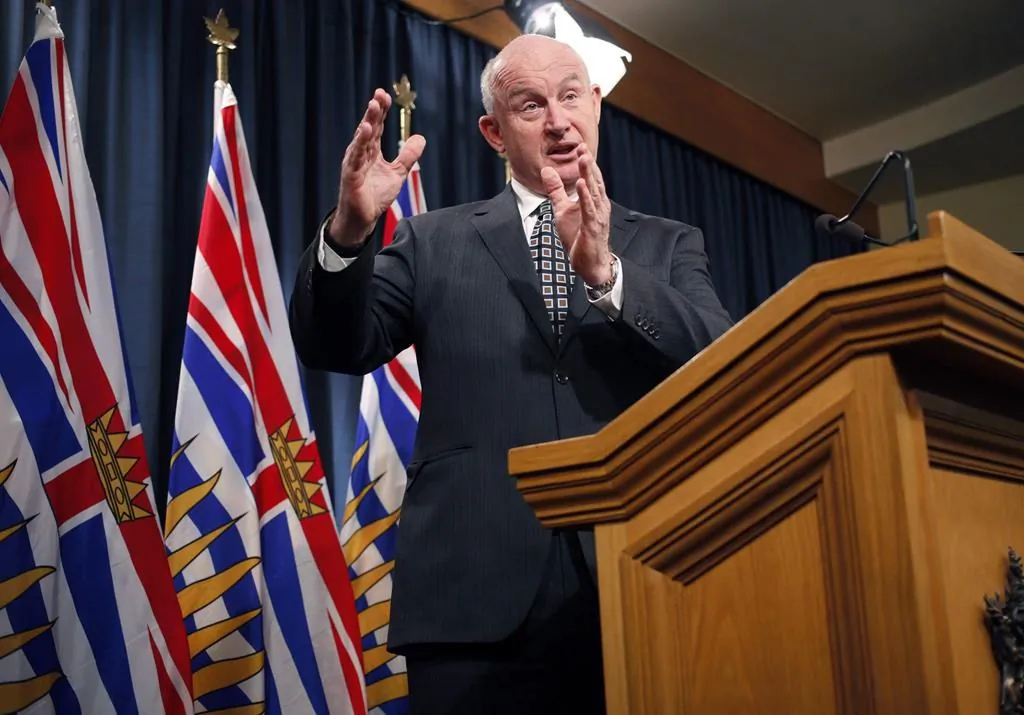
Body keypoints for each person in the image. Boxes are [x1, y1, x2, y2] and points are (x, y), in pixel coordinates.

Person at [289, 34, 733, 715]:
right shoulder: (434, 240)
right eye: (531, 105)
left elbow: (722, 361)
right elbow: (331, 342)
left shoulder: (666, 244)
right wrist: (350, 230)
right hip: (471, 602)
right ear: (494, 133)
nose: (558, 121)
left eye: (571, 96)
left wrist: (608, 278)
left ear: (596, 108)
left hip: (635, 584)